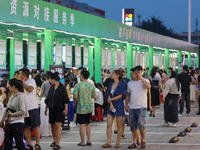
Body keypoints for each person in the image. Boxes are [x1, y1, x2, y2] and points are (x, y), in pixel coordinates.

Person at [125, 67, 151, 148]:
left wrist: (141, 78)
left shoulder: (145, 81)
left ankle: (143, 140)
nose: (130, 76)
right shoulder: (130, 83)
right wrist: (126, 104)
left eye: (132, 74)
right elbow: (128, 94)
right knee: (133, 125)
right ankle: (135, 142)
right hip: (132, 107)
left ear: (137, 74)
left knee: (141, 124)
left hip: (142, 107)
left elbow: (148, 87)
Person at [0, 78, 29, 150]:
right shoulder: (12, 96)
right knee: (7, 143)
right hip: (9, 123)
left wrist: (13, 114)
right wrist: (2, 121)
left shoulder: (21, 96)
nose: (8, 88)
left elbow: (23, 111)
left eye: (9, 86)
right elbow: (7, 109)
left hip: (17, 122)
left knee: (19, 143)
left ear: (13, 86)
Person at [102, 70, 126, 148]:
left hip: (119, 106)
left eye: (113, 74)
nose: (111, 75)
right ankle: (108, 142)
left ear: (117, 75)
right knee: (109, 124)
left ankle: (118, 142)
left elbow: (120, 96)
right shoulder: (111, 84)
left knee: (119, 125)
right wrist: (111, 104)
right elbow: (108, 94)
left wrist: (111, 100)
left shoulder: (122, 84)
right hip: (111, 106)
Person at [45, 72, 69, 150]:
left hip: (60, 109)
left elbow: (65, 100)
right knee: (52, 125)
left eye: (50, 80)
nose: (49, 81)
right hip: (51, 109)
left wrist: (66, 109)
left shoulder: (62, 88)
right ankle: (54, 140)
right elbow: (48, 99)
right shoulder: (51, 88)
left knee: (58, 126)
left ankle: (57, 143)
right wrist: (46, 108)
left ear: (54, 80)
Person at [19, 68, 41, 150]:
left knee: (36, 126)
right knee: (26, 127)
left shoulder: (32, 81)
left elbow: (30, 89)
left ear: (24, 75)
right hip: (24, 108)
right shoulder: (19, 82)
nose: (18, 75)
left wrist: (23, 83)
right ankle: (29, 144)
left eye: (20, 74)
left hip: (33, 107)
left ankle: (37, 144)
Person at [73, 70, 97, 146]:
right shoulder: (91, 85)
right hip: (89, 107)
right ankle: (89, 140)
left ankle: (83, 142)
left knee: (81, 125)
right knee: (88, 124)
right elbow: (95, 97)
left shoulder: (77, 85)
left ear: (82, 76)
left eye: (80, 75)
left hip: (80, 108)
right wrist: (89, 96)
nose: (79, 77)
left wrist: (74, 103)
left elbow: (75, 96)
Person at [39, 71, 52, 137]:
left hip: (44, 99)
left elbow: (41, 94)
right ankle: (50, 132)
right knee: (50, 116)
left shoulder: (44, 84)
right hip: (51, 100)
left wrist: (38, 95)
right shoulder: (53, 82)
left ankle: (44, 133)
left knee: (44, 117)